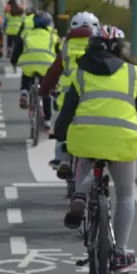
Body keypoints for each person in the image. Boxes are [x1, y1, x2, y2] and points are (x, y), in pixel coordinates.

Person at [54, 25, 137, 273]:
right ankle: (119, 253)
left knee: (86, 161)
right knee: (126, 195)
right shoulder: (134, 73)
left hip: (87, 137)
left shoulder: (80, 73)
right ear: (120, 48)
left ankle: (80, 195)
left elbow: (67, 110)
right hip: (122, 139)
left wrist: (60, 133)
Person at [40, 10, 100, 172]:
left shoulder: (65, 48)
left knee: (61, 123)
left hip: (66, 98)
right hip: (94, 99)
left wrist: (44, 90)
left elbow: (53, 73)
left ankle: (61, 158)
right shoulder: (100, 47)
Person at [13, 12, 57, 129]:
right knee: (46, 91)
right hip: (46, 66)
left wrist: (14, 61)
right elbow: (59, 53)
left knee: (27, 74)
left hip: (29, 63)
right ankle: (47, 120)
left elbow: (18, 49)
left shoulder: (26, 34)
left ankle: (24, 92)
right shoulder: (53, 36)